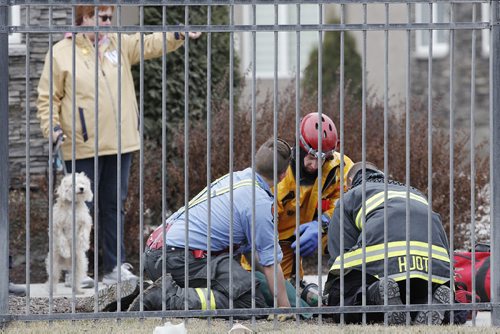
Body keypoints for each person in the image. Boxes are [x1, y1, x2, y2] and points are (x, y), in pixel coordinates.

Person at [36, 5, 202, 285]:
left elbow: (149, 42)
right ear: (84, 19)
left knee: (114, 206)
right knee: (77, 211)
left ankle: (115, 268)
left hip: (120, 143)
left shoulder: (118, 43)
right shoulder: (61, 53)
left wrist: (176, 34)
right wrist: (51, 127)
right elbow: (47, 98)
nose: (108, 22)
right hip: (80, 145)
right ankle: (77, 273)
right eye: (102, 17)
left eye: (110, 17)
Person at [126, 138, 292, 314]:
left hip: (156, 254)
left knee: (242, 286)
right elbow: (270, 263)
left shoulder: (238, 178)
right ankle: (165, 297)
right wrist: (286, 310)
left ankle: (140, 292)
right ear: (283, 174)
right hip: (180, 257)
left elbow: (252, 253)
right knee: (250, 301)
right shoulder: (259, 202)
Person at [324, 162, 452, 325]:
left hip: (385, 260)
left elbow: (339, 257)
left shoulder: (351, 196)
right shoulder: (416, 194)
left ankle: (374, 294)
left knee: (341, 296)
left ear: (349, 181)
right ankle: (427, 300)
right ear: (382, 175)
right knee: (411, 287)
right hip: (430, 264)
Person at [243, 113, 353, 280]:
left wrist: (321, 224)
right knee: (270, 293)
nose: (315, 165)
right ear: (300, 149)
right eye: (311, 157)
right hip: (273, 246)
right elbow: (258, 230)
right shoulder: (278, 181)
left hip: (310, 237)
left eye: (321, 159)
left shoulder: (339, 167)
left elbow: (348, 200)